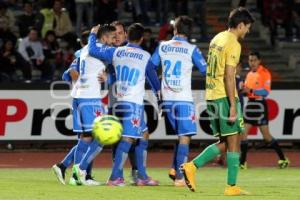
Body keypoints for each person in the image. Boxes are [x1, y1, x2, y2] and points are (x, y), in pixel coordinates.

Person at [180, 7, 254, 195]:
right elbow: (229, 76)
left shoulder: (217, 38)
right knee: (234, 140)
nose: (248, 31)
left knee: (227, 140)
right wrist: (232, 106)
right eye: (248, 27)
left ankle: (194, 168)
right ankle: (228, 185)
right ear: (240, 25)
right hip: (224, 97)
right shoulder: (233, 44)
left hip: (211, 95)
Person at [87, 23, 161, 186]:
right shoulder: (144, 55)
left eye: (121, 33)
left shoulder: (116, 52)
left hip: (121, 100)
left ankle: (141, 175)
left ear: (127, 35)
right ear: (142, 39)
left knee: (143, 135)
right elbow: (152, 76)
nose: (118, 36)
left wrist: (92, 35)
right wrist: (159, 93)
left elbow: (93, 51)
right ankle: (114, 176)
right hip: (132, 103)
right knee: (126, 139)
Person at [52, 26, 116, 186]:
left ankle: (65, 167)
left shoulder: (84, 49)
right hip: (90, 98)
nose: (114, 40)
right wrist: (93, 34)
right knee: (101, 137)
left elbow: (74, 67)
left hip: (79, 96)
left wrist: (108, 75)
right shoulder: (102, 48)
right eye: (113, 37)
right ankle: (80, 170)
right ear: (105, 37)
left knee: (86, 137)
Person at [150, 16, 206, 187]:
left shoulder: (163, 46)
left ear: (174, 29)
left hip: (166, 99)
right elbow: (205, 70)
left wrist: (157, 88)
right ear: (190, 33)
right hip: (183, 99)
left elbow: (150, 66)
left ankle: (174, 169)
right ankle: (180, 177)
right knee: (185, 137)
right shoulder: (192, 49)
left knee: (180, 135)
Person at [240, 51, 290, 169]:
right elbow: (247, 92)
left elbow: (266, 92)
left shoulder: (265, 73)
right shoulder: (248, 74)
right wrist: (243, 91)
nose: (251, 63)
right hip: (251, 105)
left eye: (254, 60)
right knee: (243, 134)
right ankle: (242, 163)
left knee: (267, 137)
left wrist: (250, 91)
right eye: (250, 60)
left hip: (260, 105)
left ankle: (283, 159)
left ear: (259, 61)